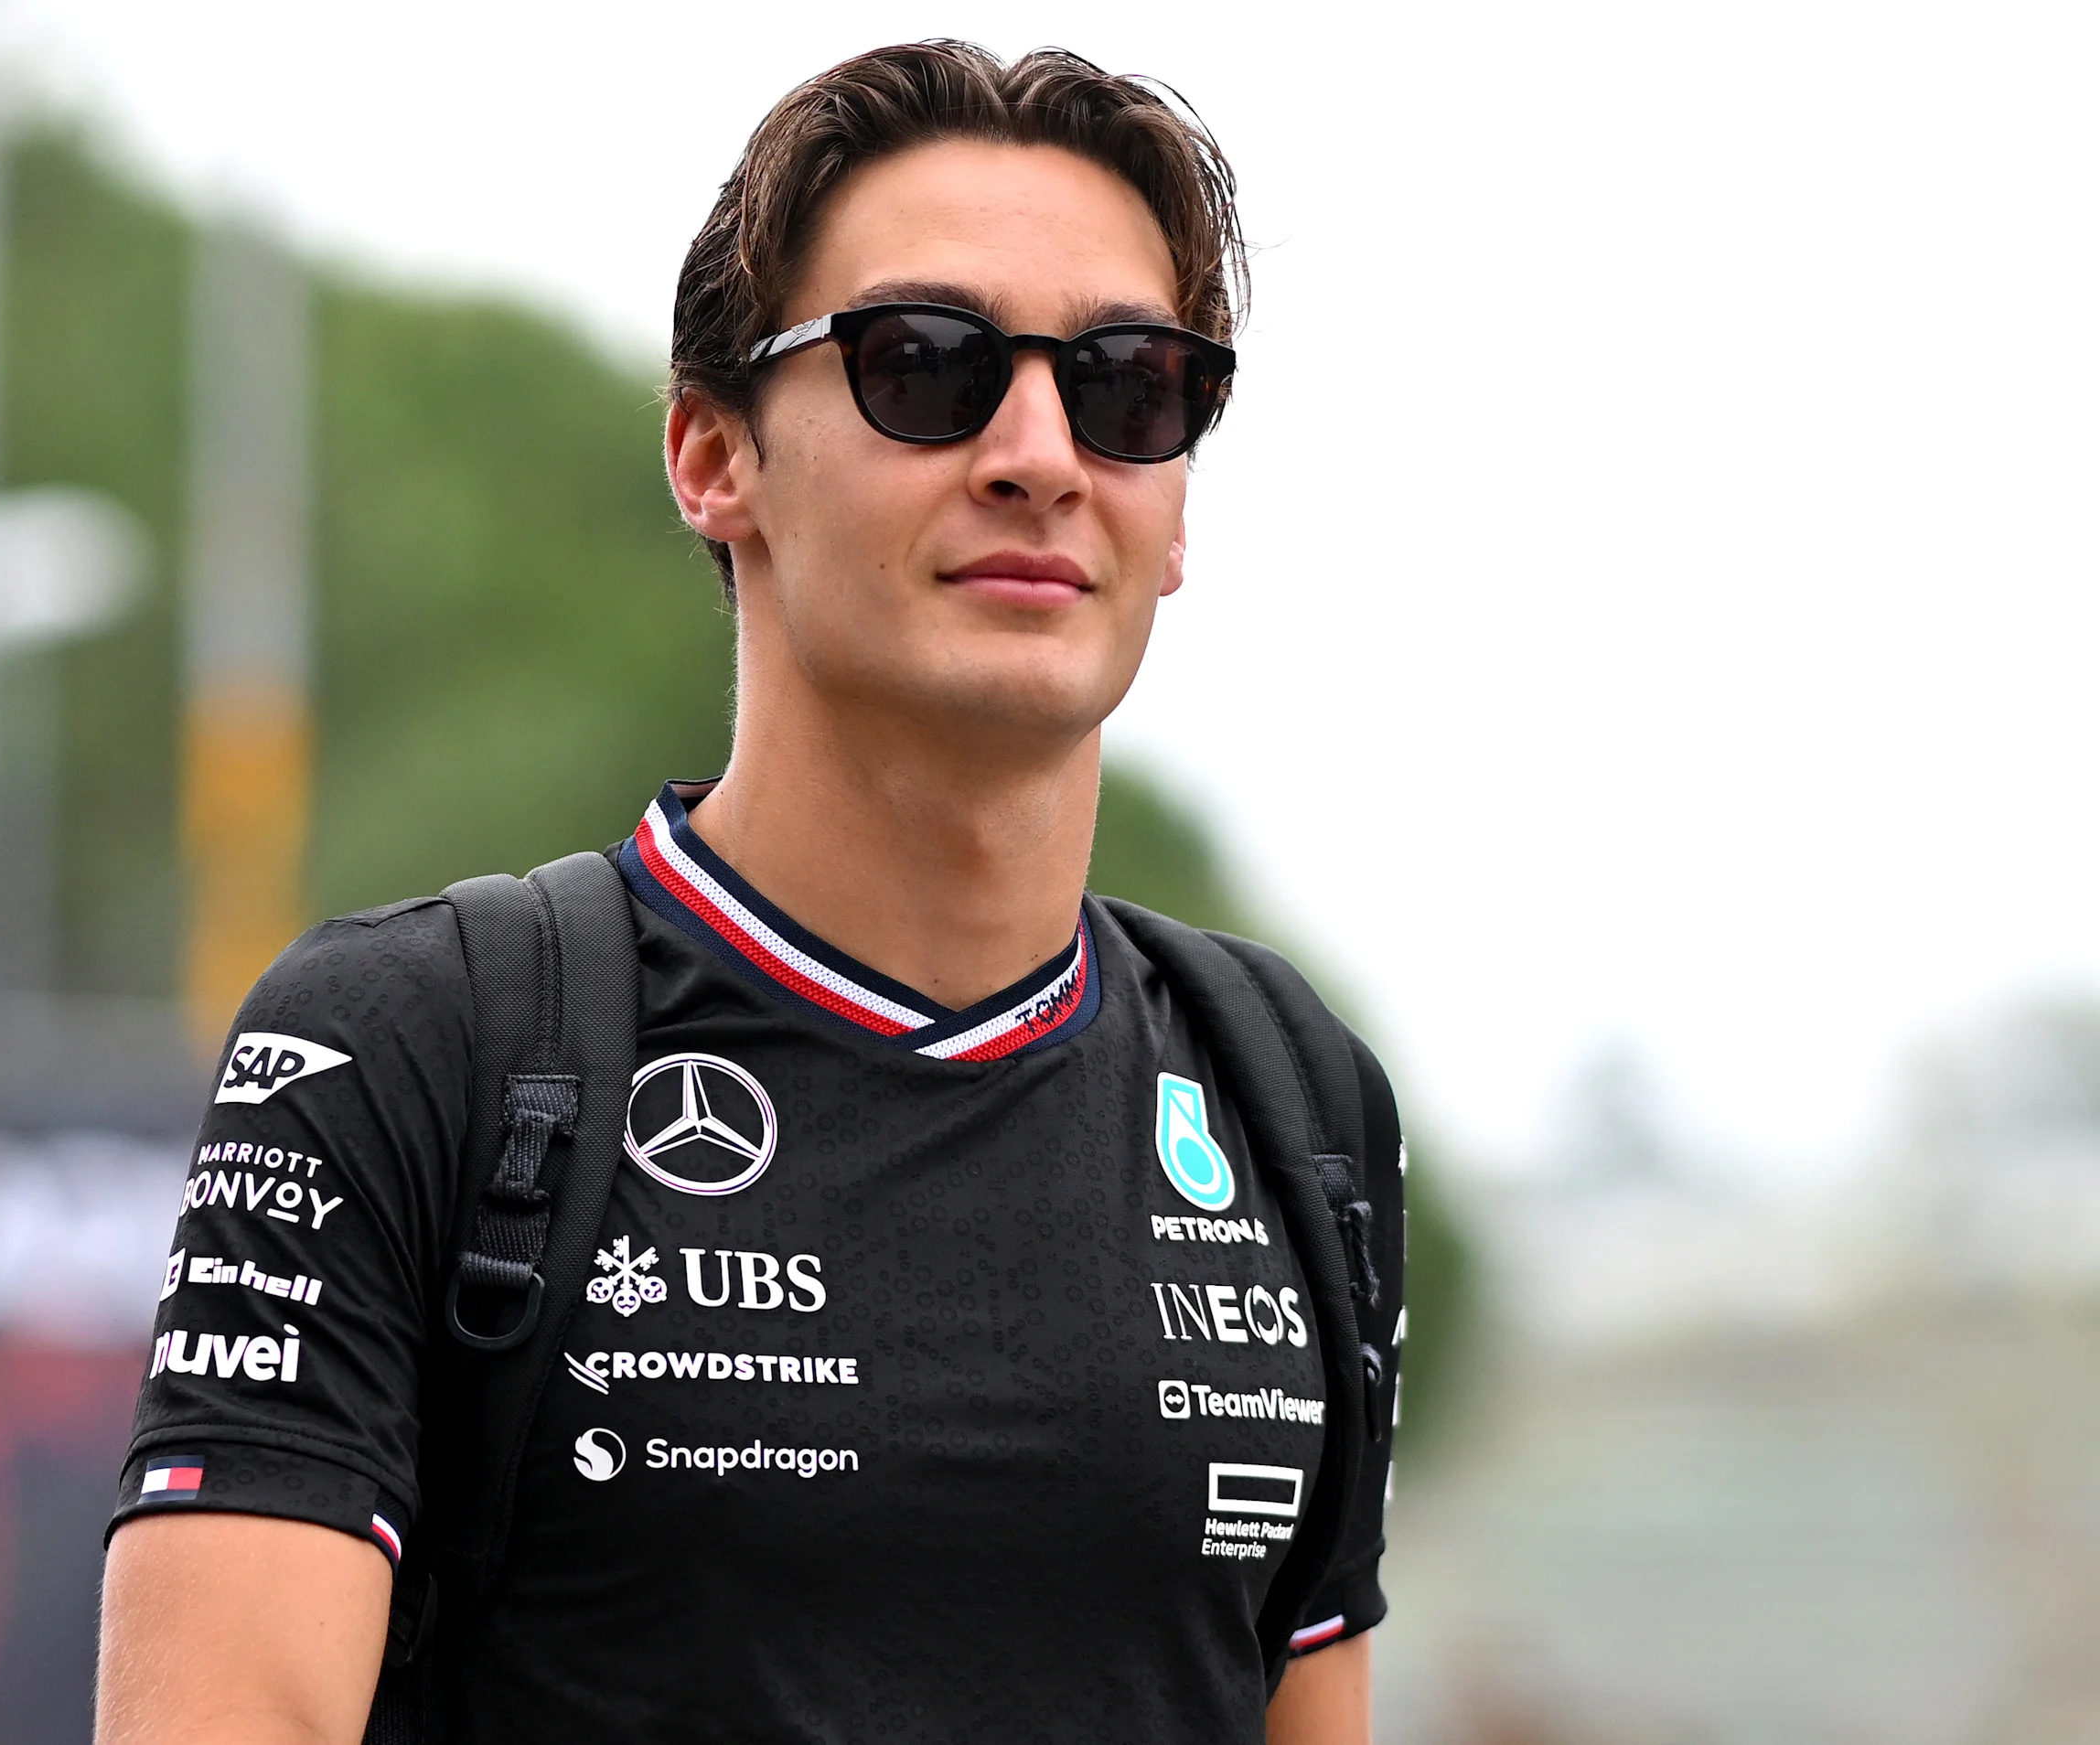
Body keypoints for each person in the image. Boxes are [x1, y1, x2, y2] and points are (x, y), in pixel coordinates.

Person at [99, 40, 1398, 1745]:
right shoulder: (410, 1048)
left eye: (1128, 386)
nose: (1039, 453)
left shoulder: (1291, 1097)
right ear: (715, 457)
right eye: (926, 364)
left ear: (1176, 503)